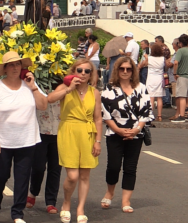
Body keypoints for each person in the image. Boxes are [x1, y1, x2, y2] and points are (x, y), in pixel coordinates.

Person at [0, 51, 47, 223]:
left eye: (18, 64)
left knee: (22, 178)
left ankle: (17, 213)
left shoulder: (29, 85)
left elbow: (43, 106)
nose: (15, 67)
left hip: (27, 141)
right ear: (5, 68)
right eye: (11, 65)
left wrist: (33, 86)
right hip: (3, 141)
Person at [47, 59, 102, 223]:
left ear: (91, 74)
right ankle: (66, 203)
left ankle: (80, 209)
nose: (83, 74)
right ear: (74, 71)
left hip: (87, 132)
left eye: (87, 71)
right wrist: (69, 88)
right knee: (72, 176)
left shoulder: (95, 93)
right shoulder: (65, 88)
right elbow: (50, 99)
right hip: (68, 131)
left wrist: (98, 140)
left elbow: (98, 118)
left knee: (85, 175)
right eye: (80, 70)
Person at [100, 56, 152, 213]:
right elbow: (105, 113)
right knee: (113, 166)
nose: (125, 71)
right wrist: (117, 129)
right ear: (117, 70)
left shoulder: (141, 88)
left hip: (136, 134)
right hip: (115, 133)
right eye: (121, 68)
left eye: (128, 69)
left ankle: (126, 200)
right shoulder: (109, 89)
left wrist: (136, 130)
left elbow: (146, 112)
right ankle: (110, 192)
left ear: (133, 71)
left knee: (130, 168)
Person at [26, 95, 62, 214]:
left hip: (60, 130)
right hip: (40, 130)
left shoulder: (65, 85)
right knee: (38, 167)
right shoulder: (38, 85)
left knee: (55, 168)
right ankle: (33, 191)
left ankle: (51, 201)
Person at [172, 34, 188, 123]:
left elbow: (175, 62)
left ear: (180, 43)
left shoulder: (180, 51)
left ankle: (181, 116)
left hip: (182, 76)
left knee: (181, 96)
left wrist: (175, 73)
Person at [144, 44, 165, 122]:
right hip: (159, 78)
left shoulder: (150, 58)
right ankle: (159, 116)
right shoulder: (162, 58)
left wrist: (146, 58)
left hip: (151, 79)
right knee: (159, 98)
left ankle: (151, 114)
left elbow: (144, 64)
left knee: (151, 97)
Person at [167, 38, 179, 120]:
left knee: (176, 95)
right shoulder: (176, 53)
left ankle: (178, 113)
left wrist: (167, 62)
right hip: (175, 77)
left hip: (175, 77)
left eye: (173, 43)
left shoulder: (177, 54)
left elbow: (172, 64)